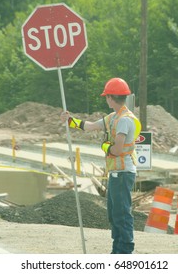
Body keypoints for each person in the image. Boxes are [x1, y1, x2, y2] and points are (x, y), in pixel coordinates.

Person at [60, 77, 141, 254]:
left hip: (123, 172)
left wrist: (104, 146)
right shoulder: (113, 117)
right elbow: (90, 126)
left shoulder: (124, 120)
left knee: (121, 214)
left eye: (106, 96)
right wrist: (71, 121)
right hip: (115, 172)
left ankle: (125, 252)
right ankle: (117, 249)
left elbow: (118, 149)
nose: (106, 99)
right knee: (114, 214)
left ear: (111, 98)